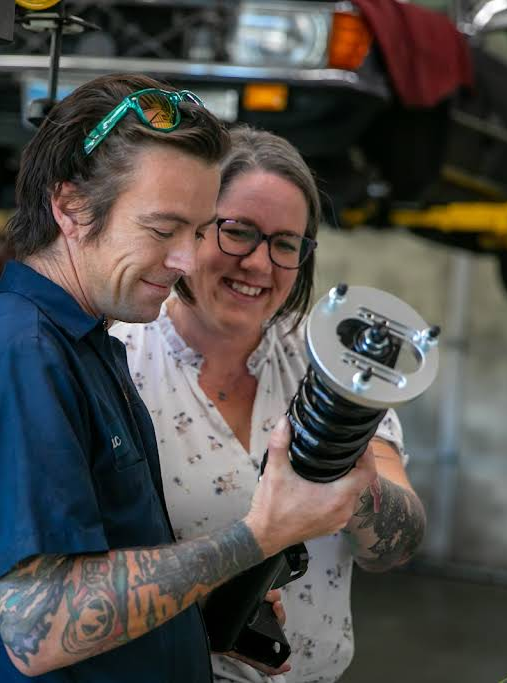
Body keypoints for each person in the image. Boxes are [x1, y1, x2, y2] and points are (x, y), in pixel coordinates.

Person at [0, 75, 377, 683]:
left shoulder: (88, 345)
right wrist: (257, 536)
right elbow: (41, 627)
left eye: (196, 231)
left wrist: (201, 606)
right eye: (164, 230)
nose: (187, 259)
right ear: (72, 207)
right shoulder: (21, 359)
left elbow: (104, 571)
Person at [110, 125, 427, 683]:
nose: (259, 264)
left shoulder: (330, 363)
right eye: (238, 232)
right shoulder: (119, 360)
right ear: (193, 230)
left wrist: (353, 490)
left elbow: (394, 550)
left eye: (285, 244)